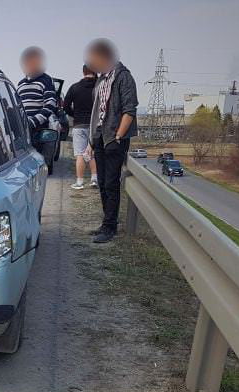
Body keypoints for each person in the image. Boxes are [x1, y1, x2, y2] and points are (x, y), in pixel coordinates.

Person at [86, 38, 138, 243]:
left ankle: (110, 227)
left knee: (111, 183)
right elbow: (97, 111)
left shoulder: (123, 77)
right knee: (101, 183)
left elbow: (129, 109)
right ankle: (106, 222)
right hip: (100, 136)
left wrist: (118, 136)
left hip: (114, 138)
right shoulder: (102, 79)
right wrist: (92, 139)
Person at [15, 46, 58, 172]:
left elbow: (50, 103)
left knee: (41, 165)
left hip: (39, 128)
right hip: (24, 129)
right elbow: (18, 107)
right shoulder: (20, 84)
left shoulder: (45, 80)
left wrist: (34, 121)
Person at [63, 65, 98, 190]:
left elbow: (65, 106)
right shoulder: (98, 87)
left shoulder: (74, 87)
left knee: (80, 154)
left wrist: (75, 114)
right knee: (92, 153)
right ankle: (94, 180)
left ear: (83, 72)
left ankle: (79, 182)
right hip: (94, 126)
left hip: (78, 125)